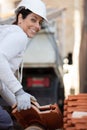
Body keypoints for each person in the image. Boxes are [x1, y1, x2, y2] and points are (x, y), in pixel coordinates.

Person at [0, 0, 47, 129]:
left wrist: (17, 104)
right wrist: (19, 91)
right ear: (20, 17)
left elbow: (2, 84)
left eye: (40, 22)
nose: (38, 26)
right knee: (4, 123)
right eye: (33, 20)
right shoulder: (19, 36)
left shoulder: (9, 32)